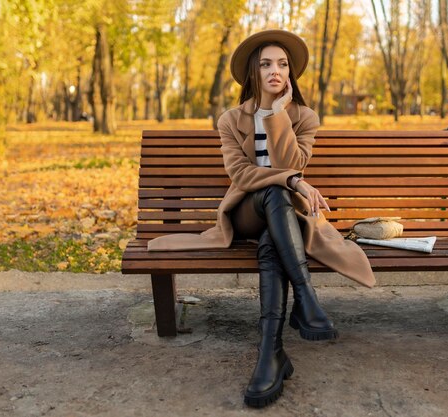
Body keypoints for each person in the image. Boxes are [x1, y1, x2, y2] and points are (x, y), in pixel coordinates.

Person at [147, 29, 374, 408]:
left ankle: (270, 354)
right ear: (254, 71)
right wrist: (293, 182)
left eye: (282, 65)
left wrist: (277, 115)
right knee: (273, 191)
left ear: (290, 74)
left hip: (284, 222)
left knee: (273, 242)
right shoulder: (231, 119)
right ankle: (306, 298)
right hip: (246, 212)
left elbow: (293, 161)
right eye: (267, 64)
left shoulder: (303, 117)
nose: (275, 71)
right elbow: (243, 175)